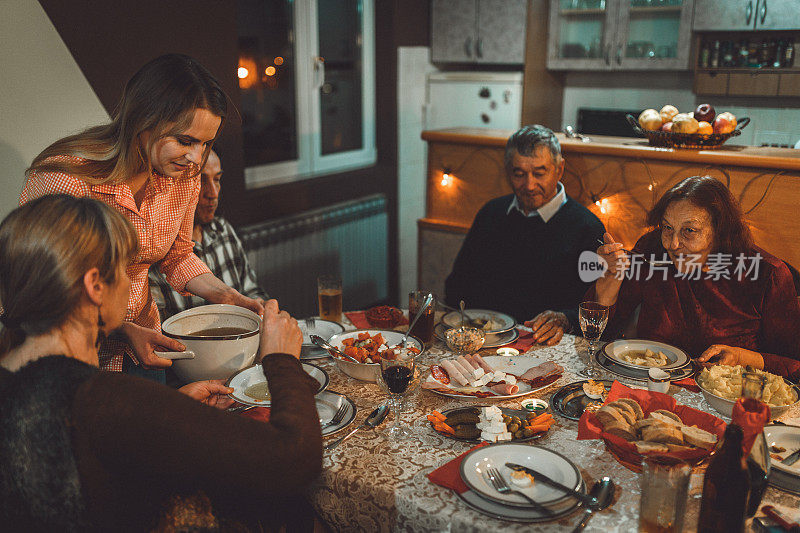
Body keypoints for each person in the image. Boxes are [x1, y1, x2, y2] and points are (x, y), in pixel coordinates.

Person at [0, 195, 322, 531]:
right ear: (95, 286)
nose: (133, 284)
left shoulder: (20, 382)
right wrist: (281, 359)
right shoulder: (105, 400)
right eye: (127, 269)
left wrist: (173, 409)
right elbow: (295, 459)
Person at [19, 54, 265, 377]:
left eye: (205, 144)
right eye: (185, 140)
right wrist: (122, 329)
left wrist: (224, 294)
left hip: (145, 344)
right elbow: (41, 292)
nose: (195, 158)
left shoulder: (183, 178)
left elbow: (177, 255)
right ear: (143, 120)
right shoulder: (67, 180)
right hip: (73, 356)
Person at [593, 175, 800, 380]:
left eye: (689, 231)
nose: (672, 244)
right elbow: (601, 339)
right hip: (651, 387)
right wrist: (610, 279)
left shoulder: (767, 275)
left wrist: (741, 357)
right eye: (667, 228)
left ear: (720, 232)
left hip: (728, 400)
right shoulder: (651, 250)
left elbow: (793, 366)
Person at [444, 124, 606, 345]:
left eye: (539, 173)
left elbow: (597, 309)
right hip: (483, 341)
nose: (529, 185)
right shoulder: (491, 213)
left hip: (548, 345)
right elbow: (457, 285)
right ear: (508, 171)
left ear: (559, 170)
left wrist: (565, 319)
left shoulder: (587, 227)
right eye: (519, 174)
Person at [149, 149, 267, 321]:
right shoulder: (157, 249)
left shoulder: (223, 230)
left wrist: (263, 308)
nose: (213, 194)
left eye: (217, 180)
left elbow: (251, 290)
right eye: (201, 181)